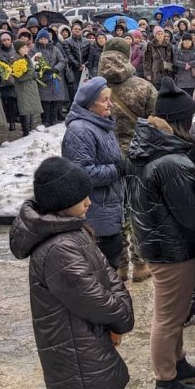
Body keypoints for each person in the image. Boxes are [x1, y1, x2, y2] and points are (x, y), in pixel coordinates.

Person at [9, 157, 134, 389]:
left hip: (82, 336)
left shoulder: (70, 231)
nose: (90, 202)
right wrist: (119, 314)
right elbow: (91, 296)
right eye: (83, 199)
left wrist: (118, 305)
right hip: (73, 343)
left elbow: (103, 271)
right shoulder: (59, 249)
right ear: (63, 204)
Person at [127, 78, 195, 389]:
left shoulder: (152, 148)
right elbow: (190, 215)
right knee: (167, 316)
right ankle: (165, 384)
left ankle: (177, 364)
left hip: (159, 242)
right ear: (181, 121)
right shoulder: (171, 162)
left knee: (173, 313)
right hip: (171, 248)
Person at [99, 38, 158, 282]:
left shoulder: (96, 88)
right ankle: (140, 263)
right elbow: (157, 122)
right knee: (138, 211)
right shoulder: (144, 87)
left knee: (114, 210)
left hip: (106, 157)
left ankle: (119, 265)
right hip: (139, 156)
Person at [61, 77, 127, 271]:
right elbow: (82, 174)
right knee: (101, 272)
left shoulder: (102, 124)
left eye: (110, 98)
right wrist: (117, 169)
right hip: (95, 214)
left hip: (108, 209)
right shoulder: (80, 130)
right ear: (89, 105)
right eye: (105, 100)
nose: (110, 104)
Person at [34, 28, 68, 126]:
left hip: (55, 77)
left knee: (55, 100)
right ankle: (45, 120)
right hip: (43, 79)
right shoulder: (35, 49)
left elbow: (62, 60)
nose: (43, 40)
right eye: (41, 38)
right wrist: (42, 69)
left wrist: (56, 69)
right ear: (38, 39)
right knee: (45, 101)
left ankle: (54, 119)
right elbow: (33, 62)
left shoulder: (55, 48)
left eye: (45, 38)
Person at [12, 39, 42, 136]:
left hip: (31, 86)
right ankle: (26, 131)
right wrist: (32, 74)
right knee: (25, 109)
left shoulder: (27, 57)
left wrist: (36, 72)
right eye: (23, 48)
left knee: (32, 108)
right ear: (18, 49)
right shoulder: (15, 59)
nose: (26, 49)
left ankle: (31, 129)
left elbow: (31, 70)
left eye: (26, 47)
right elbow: (18, 76)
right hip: (23, 88)